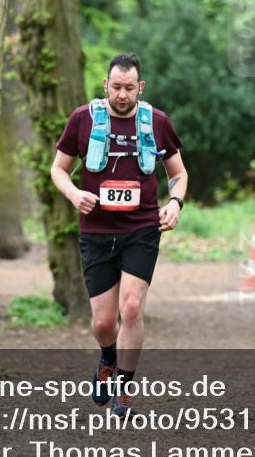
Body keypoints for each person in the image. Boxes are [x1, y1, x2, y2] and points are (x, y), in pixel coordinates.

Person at [50, 53, 187, 417]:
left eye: (129, 88)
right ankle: (108, 358)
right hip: (96, 229)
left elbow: (178, 173)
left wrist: (175, 203)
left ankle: (124, 392)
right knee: (103, 322)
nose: (122, 95)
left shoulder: (156, 122)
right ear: (105, 86)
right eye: (116, 87)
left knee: (131, 307)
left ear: (140, 87)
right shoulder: (83, 119)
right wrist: (74, 194)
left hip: (141, 227)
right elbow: (59, 169)